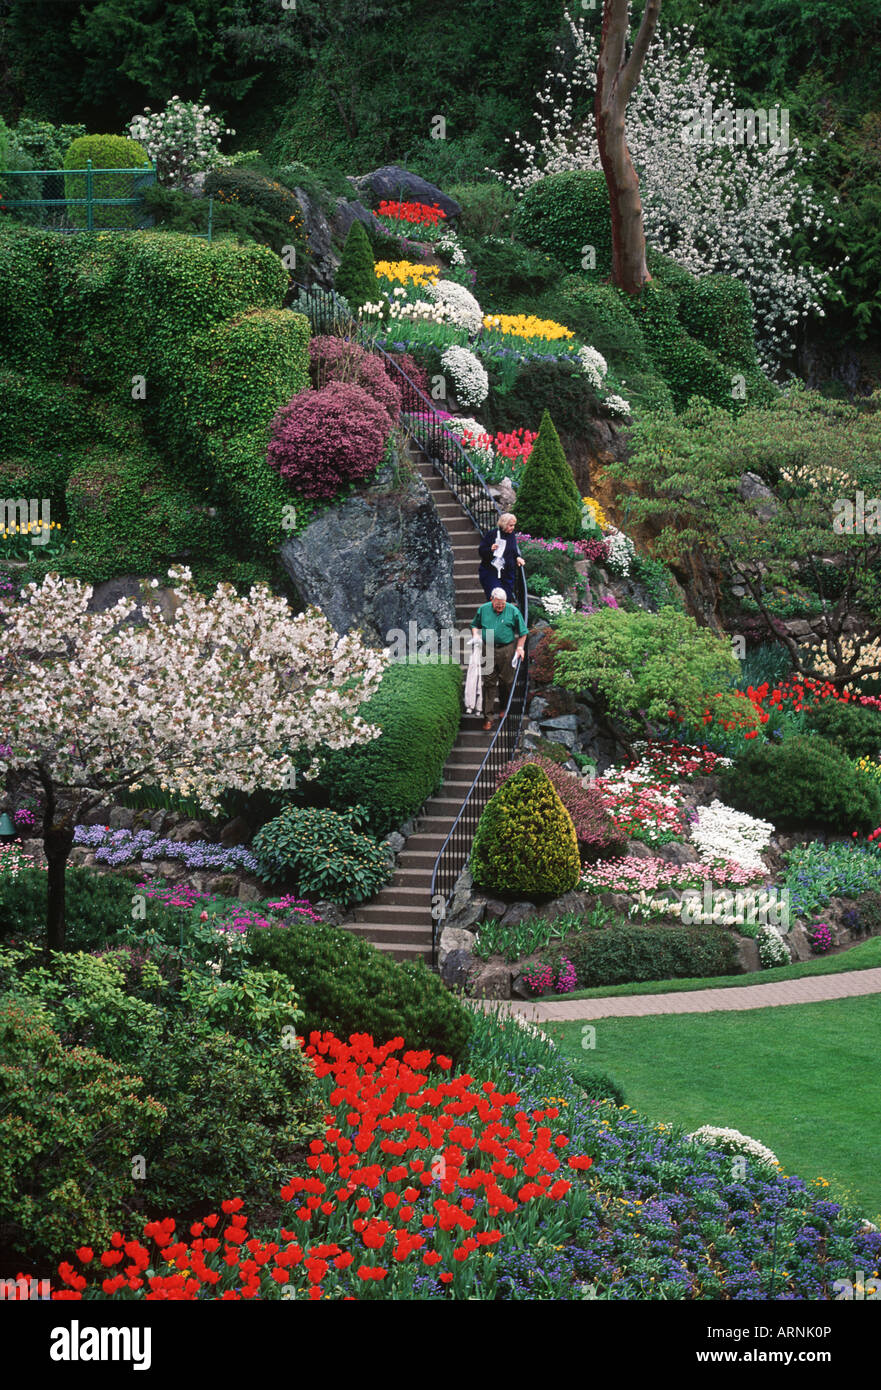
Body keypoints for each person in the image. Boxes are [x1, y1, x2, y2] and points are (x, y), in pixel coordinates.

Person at [471, 587, 527, 730]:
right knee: (489, 682)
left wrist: (520, 648)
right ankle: (488, 718)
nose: (500, 607)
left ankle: (504, 707)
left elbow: (523, 632)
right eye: (497, 605)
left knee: (506, 681)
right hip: (487, 645)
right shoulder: (483, 609)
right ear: (491, 600)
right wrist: (476, 635)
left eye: (502, 604)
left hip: (506, 648)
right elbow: (474, 625)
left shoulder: (513, 610)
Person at [478, 512, 526, 601]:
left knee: (506, 600)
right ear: (504, 524)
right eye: (510, 525)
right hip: (491, 572)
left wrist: (518, 557)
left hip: (507, 573)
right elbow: (481, 551)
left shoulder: (511, 535)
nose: (513, 527)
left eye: (514, 525)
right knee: (495, 598)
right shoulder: (492, 534)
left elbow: (513, 550)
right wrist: (491, 549)